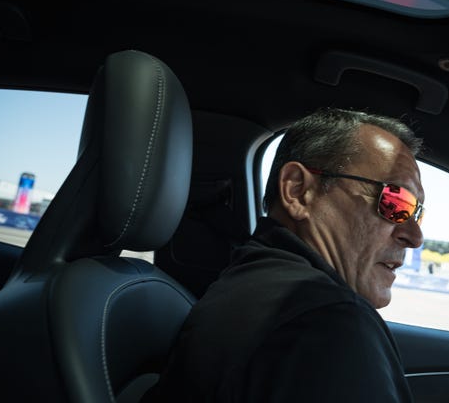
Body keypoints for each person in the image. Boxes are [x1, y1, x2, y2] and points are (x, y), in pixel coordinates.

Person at [154, 108, 425, 402]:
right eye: (396, 201)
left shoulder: (253, 285)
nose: (414, 237)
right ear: (297, 190)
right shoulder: (328, 322)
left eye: (416, 212)